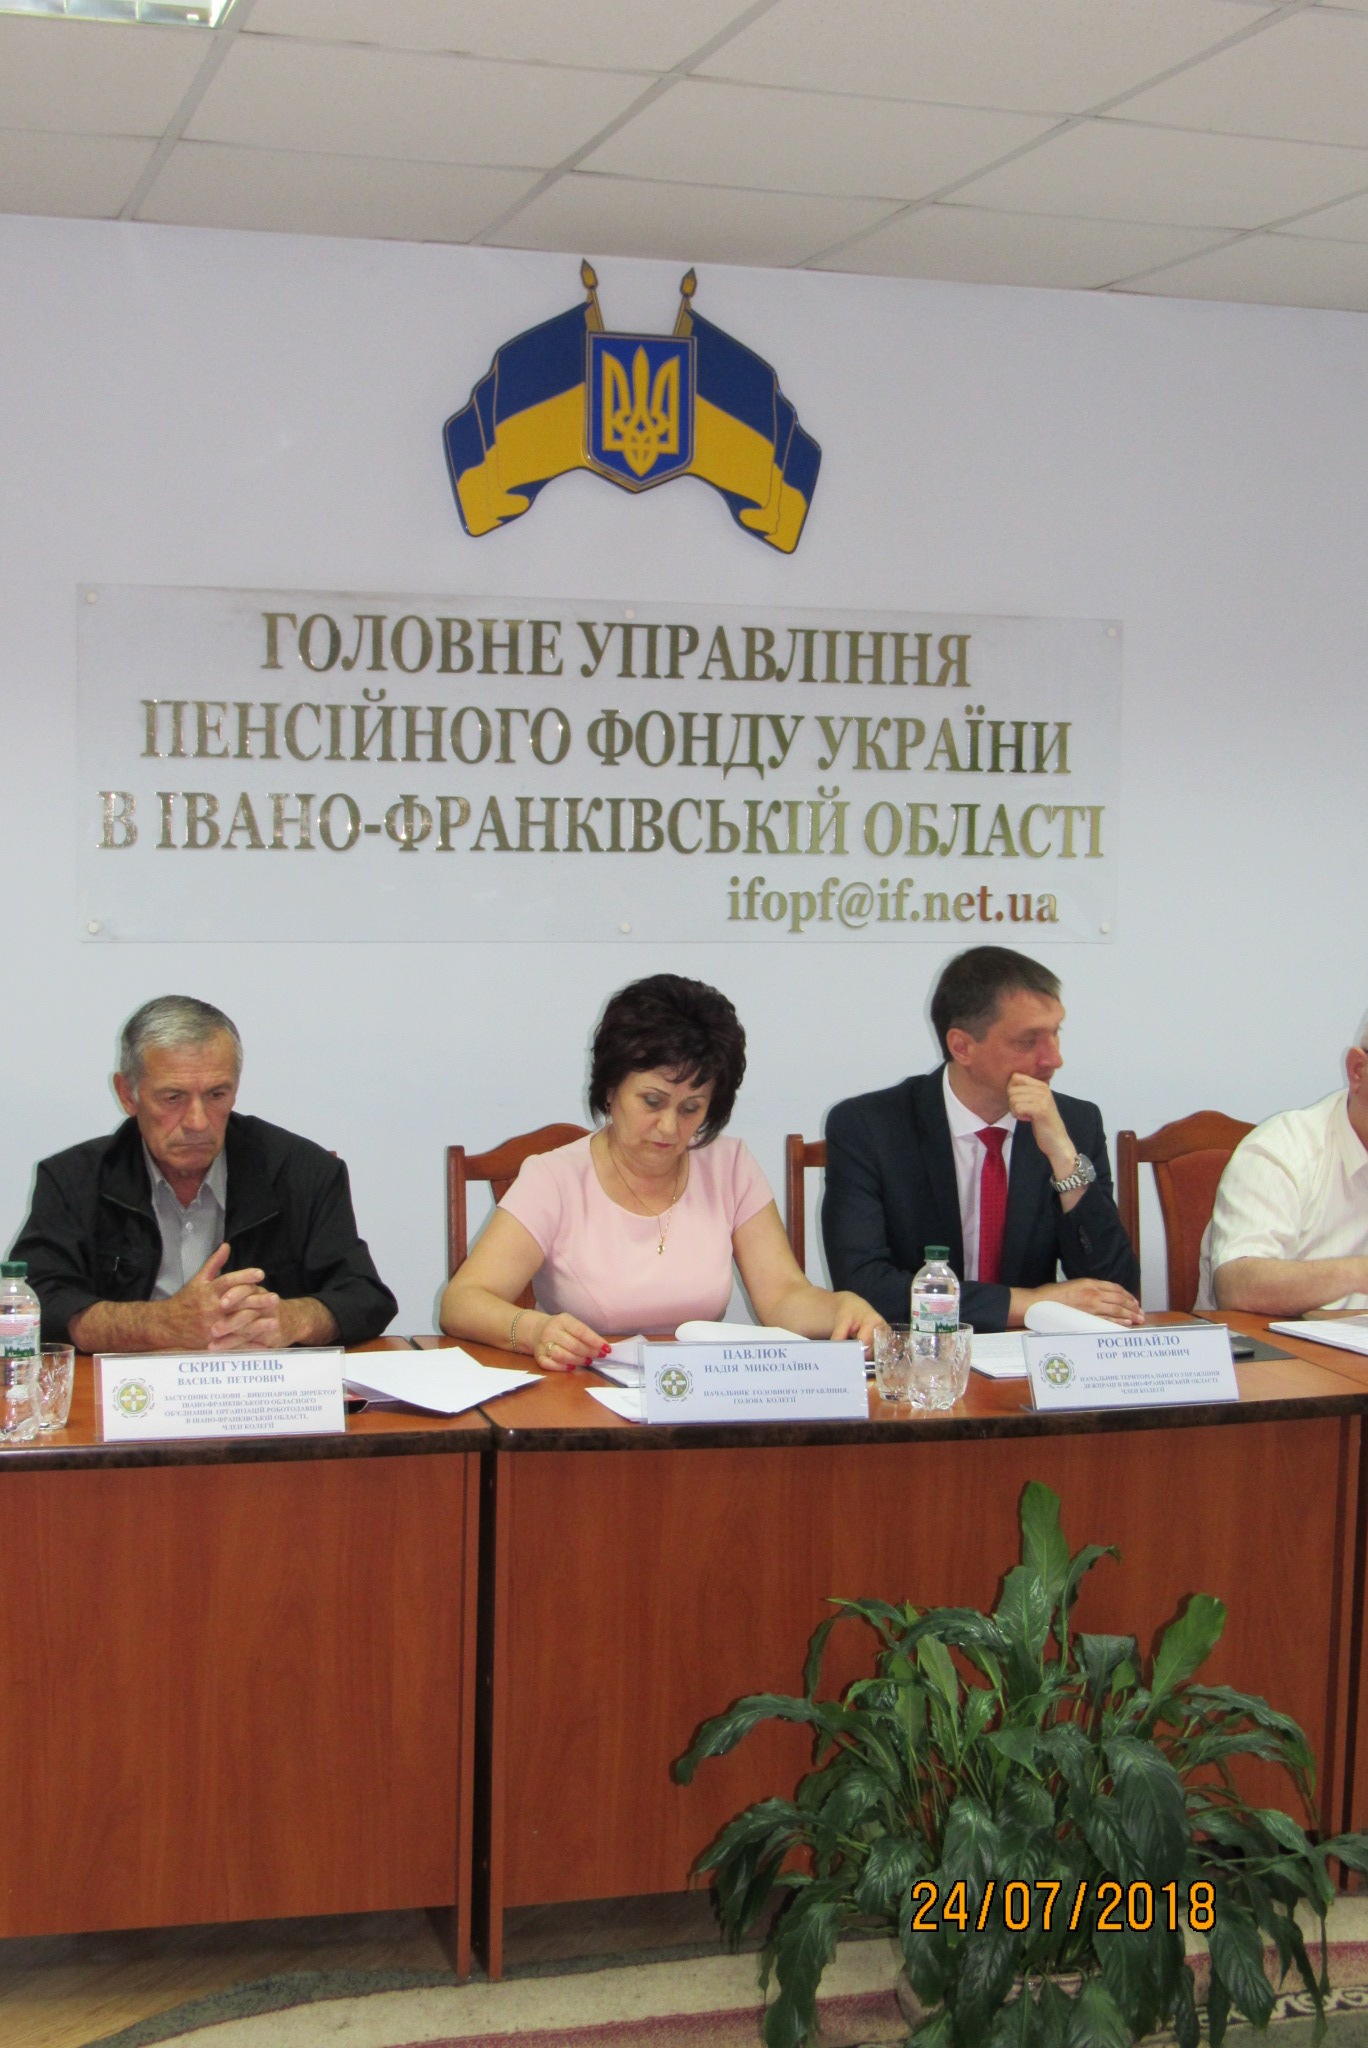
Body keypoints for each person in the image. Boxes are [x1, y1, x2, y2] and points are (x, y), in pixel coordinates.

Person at [439, 974, 883, 1369]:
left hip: (699, 1400)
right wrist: (534, 1330)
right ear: (610, 1088)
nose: (670, 1128)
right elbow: (462, 1301)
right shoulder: (554, 1178)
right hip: (582, 1398)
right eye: (652, 1101)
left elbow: (783, 1296)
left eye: (691, 1108)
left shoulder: (729, 1165)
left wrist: (840, 1307)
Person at [12, 995, 397, 1350]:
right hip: (130, 1392)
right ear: (128, 1094)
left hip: (259, 1389)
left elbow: (364, 1297)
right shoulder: (73, 1180)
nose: (197, 1122)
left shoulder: (303, 1172)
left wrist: (294, 1319)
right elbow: (34, 1301)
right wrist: (160, 1324)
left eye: (216, 1095)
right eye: (173, 1097)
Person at [821, 946, 1141, 1333]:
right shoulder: (869, 1127)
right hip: (918, 1354)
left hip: (1030, 1357)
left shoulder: (1073, 1123)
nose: (1054, 1059)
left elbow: (1118, 1294)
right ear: (962, 1047)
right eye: (1028, 1041)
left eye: (1056, 1033)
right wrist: (1029, 1304)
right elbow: (863, 1286)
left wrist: (1063, 1157)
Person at [1207, 1016, 1368, 1315]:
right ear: (1358, 1070)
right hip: (1268, 1341)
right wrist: (1358, 1274)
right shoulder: (1279, 1152)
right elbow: (1235, 1287)